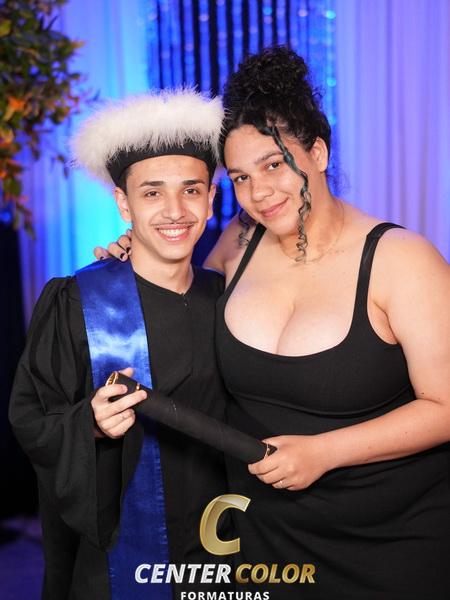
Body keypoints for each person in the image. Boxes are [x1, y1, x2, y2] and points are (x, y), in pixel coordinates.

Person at [101, 48, 450, 599]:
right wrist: (136, 253)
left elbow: (445, 407)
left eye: (273, 164)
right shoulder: (239, 241)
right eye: (240, 177)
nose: (258, 192)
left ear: (318, 152)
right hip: (264, 537)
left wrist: (324, 452)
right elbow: (181, 301)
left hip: (389, 541)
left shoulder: (402, 260)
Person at [9, 89, 233, 600]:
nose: (175, 211)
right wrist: (88, 423)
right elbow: (31, 419)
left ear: (210, 199)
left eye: (191, 190)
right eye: (152, 193)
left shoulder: (228, 297)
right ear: (123, 203)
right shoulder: (78, 302)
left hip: (223, 540)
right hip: (119, 557)